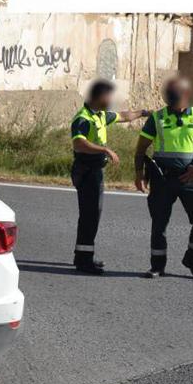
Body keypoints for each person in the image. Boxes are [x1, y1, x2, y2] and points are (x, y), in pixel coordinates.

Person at [133, 77, 193, 279]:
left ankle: (192, 260)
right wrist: (139, 174)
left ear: (186, 96)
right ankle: (157, 266)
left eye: (174, 97)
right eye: (168, 97)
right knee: (159, 223)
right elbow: (141, 147)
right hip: (162, 178)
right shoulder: (157, 118)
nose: (170, 100)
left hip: (191, 177)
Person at [68, 80, 149, 274]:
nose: (110, 100)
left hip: (95, 171)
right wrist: (104, 149)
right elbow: (79, 144)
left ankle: (84, 255)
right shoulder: (83, 118)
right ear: (98, 98)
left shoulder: (100, 116)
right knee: (90, 215)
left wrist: (143, 113)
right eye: (108, 96)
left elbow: (123, 116)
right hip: (86, 171)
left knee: (92, 214)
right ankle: (83, 261)